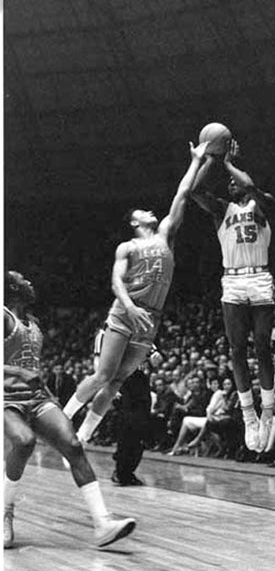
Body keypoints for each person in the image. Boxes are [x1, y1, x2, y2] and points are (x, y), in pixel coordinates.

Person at [62, 140, 209, 443]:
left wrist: (196, 161)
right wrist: (129, 306)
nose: (151, 210)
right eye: (143, 211)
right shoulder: (127, 247)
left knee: (116, 383)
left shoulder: (165, 235)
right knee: (103, 375)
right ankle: (61, 421)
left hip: (150, 319)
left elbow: (182, 194)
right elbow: (116, 283)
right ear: (134, 222)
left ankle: (83, 435)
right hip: (126, 313)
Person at [4, 271, 136, 549]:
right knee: (24, 442)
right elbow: (20, 368)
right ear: (12, 288)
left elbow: (33, 369)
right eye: (23, 280)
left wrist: (46, 393)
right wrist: (18, 371)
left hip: (38, 397)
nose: (30, 282)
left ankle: (102, 524)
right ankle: (5, 511)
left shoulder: (34, 323)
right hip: (6, 397)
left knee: (74, 445)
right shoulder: (4, 317)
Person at [191, 139, 275, 454]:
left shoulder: (260, 204)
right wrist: (210, 160)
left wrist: (228, 163)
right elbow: (195, 192)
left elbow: (251, 186)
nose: (232, 184)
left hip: (260, 277)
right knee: (237, 350)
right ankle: (249, 413)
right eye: (229, 182)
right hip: (233, 281)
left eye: (234, 179)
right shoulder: (221, 211)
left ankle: (267, 412)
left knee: (263, 346)